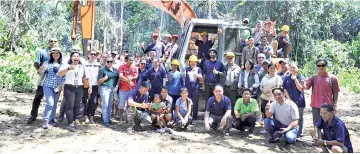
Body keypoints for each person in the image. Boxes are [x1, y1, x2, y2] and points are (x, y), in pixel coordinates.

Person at [58, 51, 91, 132]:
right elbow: (59, 74)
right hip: (69, 88)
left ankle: (72, 121)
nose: (76, 57)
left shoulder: (82, 66)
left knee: (76, 106)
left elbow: (88, 77)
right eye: (74, 56)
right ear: (71, 58)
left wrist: (90, 87)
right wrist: (69, 68)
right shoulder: (66, 65)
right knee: (70, 106)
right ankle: (70, 123)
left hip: (79, 88)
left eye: (77, 56)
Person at [303, 58, 340, 126]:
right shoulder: (313, 77)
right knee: (317, 124)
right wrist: (300, 83)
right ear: (317, 66)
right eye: (319, 65)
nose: (321, 67)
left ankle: (328, 136)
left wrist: (335, 104)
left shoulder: (332, 78)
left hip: (328, 106)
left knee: (329, 123)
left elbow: (335, 92)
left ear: (326, 66)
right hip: (316, 105)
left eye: (323, 65)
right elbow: (306, 87)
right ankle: (318, 136)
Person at [27, 38, 56, 125]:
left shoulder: (58, 52)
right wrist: (40, 72)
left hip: (54, 80)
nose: (53, 42)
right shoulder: (43, 52)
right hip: (44, 78)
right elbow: (36, 63)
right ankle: (33, 115)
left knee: (52, 99)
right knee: (38, 97)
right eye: (51, 41)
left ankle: (51, 118)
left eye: (55, 41)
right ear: (48, 42)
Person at [39, 46, 65, 129]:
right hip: (48, 85)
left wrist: (61, 86)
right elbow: (40, 72)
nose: (56, 54)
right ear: (51, 54)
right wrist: (42, 69)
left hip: (57, 86)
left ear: (60, 54)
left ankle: (52, 119)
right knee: (50, 103)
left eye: (57, 53)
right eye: (54, 53)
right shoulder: (47, 63)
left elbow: (64, 76)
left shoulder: (63, 64)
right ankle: (46, 120)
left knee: (54, 104)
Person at [282, 62, 305, 136]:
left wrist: (295, 80)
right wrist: (289, 99)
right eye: (291, 67)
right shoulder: (286, 77)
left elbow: (301, 89)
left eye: (294, 67)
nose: (292, 69)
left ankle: (299, 132)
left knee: (299, 117)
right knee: (290, 116)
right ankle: (290, 131)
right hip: (289, 101)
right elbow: (284, 89)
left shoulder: (301, 77)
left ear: (298, 69)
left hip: (299, 101)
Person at [97, 57, 119, 127]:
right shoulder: (102, 70)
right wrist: (104, 78)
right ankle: (105, 120)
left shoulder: (115, 70)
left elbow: (118, 79)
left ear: (113, 62)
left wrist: (116, 87)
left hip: (112, 89)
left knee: (110, 105)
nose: (109, 63)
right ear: (105, 62)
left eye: (111, 62)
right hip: (104, 88)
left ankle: (108, 119)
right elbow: (99, 81)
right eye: (108, 62)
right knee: (105, 104)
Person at [82, 50, 101, 124]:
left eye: (95, 54)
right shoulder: (84, 64)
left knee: (94, 102)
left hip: (95, 85)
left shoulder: (99, 65)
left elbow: (100, 76)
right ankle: (85, 116)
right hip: (86, 85)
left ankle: (91, 116)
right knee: (85, 101)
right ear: (88, 55)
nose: (93, 55)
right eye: (91, 54)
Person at [183, 55, 203, 124]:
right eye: (192, 61)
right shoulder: (186, 69)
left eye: (194, 62)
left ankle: (194, 118)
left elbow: (201, 78)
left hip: (195, 89)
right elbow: (184, 78)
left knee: (195, 103)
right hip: (187, 89)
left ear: (196, 62)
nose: (193, 63)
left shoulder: (198, 69)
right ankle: (189, 116)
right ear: (189, 62)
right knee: (188, 103)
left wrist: (196, 75)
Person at [118, 55, 138, 122]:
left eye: (132, 60)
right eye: (130, 60)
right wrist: (129, 81)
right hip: (123, 89)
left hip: (131, 89)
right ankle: (121, 119)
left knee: (130, 105)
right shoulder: (121, 67)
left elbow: (136, 76)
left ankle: (128, 120)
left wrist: (132, 78)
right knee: (121, 105)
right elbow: (121, 76)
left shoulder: (135, 68)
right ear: (126, 60)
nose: (131, 61)